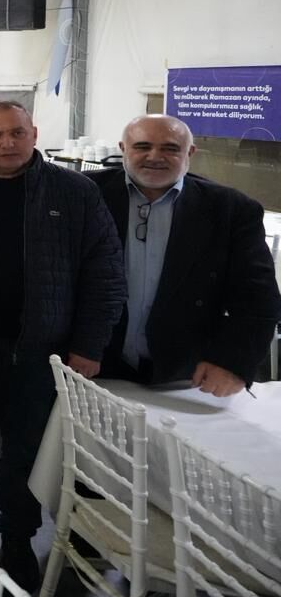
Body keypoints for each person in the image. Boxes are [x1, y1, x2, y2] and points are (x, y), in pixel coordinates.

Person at [0, 101, 126, 588]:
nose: (8, 144)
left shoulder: (74, 191)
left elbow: (104, 274)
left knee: (27, 450)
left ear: (34, 133)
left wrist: (89, 346)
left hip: (42, 349)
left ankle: (17, 536)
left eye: (17, 133)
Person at [92, 115, 281, 392]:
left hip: (187, 377)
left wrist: (233, 362)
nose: (155, 157)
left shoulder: (230, 209)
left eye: (170, 148)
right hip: (93, 365)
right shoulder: (86, 194)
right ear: (123, 148)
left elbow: (258, 297)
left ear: (190, 152)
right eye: (142, 146)